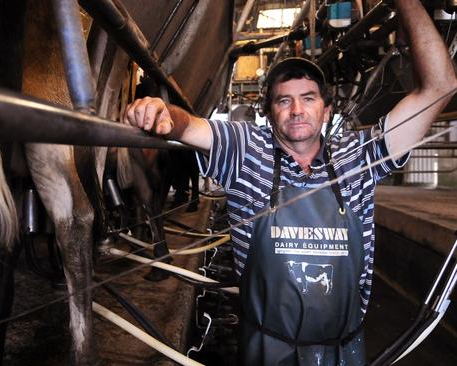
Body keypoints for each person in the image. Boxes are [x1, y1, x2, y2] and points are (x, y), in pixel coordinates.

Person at [124, 0, 456, 364]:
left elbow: (439, 87)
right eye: (284, 101)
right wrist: (162, 112)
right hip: (268, 349)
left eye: (308, 98)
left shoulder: (359, 158)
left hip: (342, 352)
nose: (297, 110)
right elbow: (190, 125)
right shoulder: (245, 151)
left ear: (325, 110)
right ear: (269, 112)